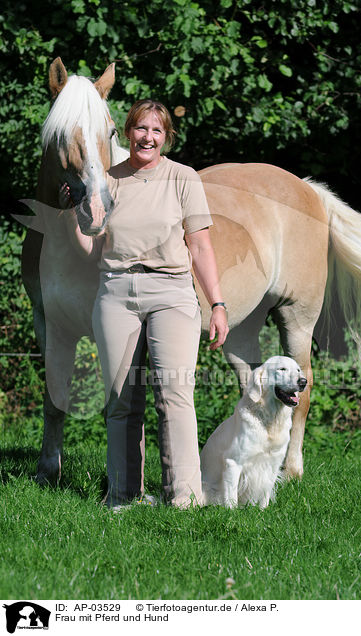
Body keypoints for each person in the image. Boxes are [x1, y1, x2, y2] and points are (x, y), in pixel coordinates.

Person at [64, 99, 229, 508]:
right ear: (128, 132)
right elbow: (90, 243)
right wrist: (77, 206)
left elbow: (201, 245)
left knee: (174, 394)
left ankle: (184, 499)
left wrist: (218, 303)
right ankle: (124, 496)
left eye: (156, 131)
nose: (148, 137)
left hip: (171, 292)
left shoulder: (183, 177)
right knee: (121, 399)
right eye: (141, 129)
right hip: (116, 292)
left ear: (166, 137)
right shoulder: (108, 179)